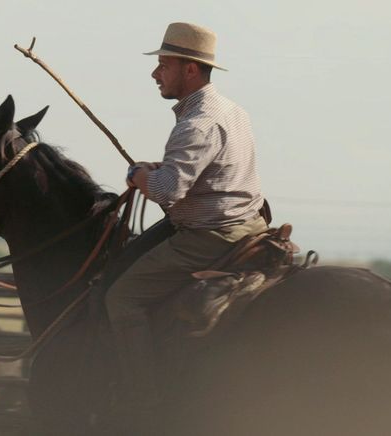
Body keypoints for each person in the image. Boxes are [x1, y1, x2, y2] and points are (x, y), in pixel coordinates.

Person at [105, 22, 268, 410]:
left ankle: (144, 402)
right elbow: (211, 170)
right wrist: (161, 168)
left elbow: (166, 191)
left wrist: (137, 175)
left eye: (164, 64)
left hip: (210, 236)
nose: (155, 73)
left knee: (121, 297)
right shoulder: (232, 112)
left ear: (190, 69)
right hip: (251, 226)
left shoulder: (197, 122)